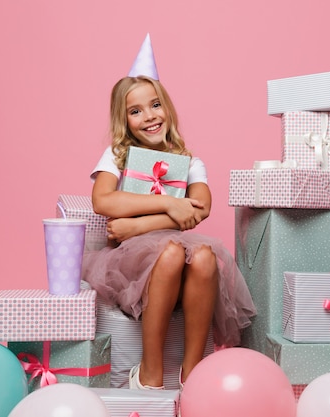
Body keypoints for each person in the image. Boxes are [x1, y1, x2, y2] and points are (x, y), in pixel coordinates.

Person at [81, 73, 257, 390]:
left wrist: (135, 223)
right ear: (124, 120)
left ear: (168, 108)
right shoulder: (117, 155)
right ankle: (150, 374)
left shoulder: (187, 161)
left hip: (164, 247)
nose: (149, 116)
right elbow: (103, 200)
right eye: (135, 111)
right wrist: (172, 206)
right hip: (130, 263)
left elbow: (201, 207)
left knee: (203, 256)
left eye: (155, 105)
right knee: (172, 252)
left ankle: (193, 375)